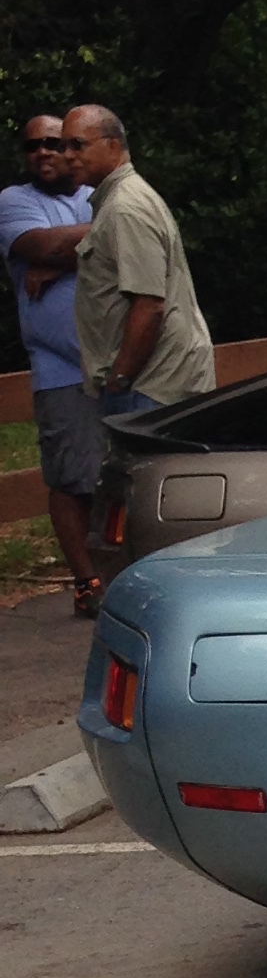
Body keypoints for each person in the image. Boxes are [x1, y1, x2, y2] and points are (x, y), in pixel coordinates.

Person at [1, 113, 106, 614]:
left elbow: (136, 237)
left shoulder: (98, 195)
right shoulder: (15, 201)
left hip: (118, 362)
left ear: (72, 148)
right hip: (60, 368)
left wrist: (61, 260)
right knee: (70, 479)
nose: (42, 151)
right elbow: (41, 244)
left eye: (53, 142)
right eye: (32, 146)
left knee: (120, 476)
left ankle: (122, 573)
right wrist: (76, 248)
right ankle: (88, 584)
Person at [58, 104, 216, 431]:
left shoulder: (125, 208)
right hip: (150, 383)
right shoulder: (119, 200)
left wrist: (119, 379)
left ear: (113, 145)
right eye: (64, 146)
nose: (67, 155)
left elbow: (149, 304)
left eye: (78, 145)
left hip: (150, 387)